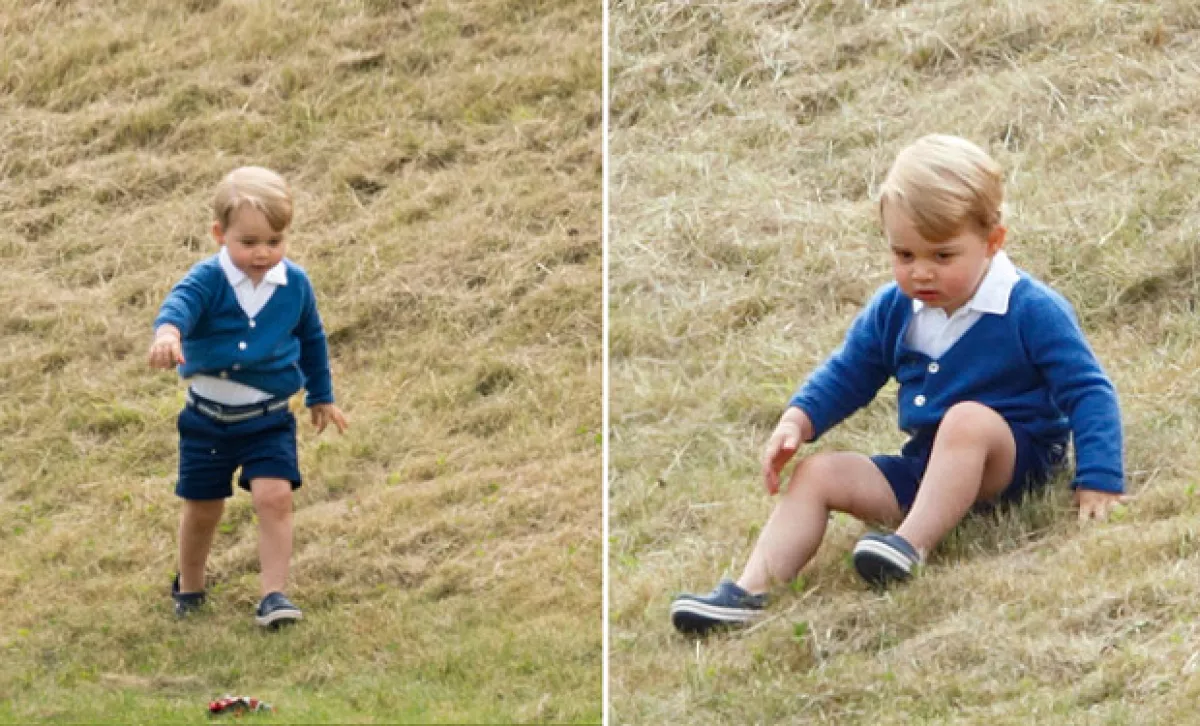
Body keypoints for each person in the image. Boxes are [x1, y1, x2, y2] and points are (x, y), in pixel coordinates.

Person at [670, 135, 1126, 636]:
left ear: (993, 242)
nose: (921, 271)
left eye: (943, 255)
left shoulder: (1030, 308)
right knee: (818, 473)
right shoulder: (895, 308)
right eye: (904, 254)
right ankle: (748, 592)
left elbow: (1088, 390)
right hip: (925, 469)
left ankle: (908, 546)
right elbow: (850, 371)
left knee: (966, 419)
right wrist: (798, 419)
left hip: (1012, 464)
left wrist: (1099, 478)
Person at [149, 166, 348, 627]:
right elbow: (177, 306)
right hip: (207, 421)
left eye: (275, 241)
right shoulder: (207, 279)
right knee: (203, 507)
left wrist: (322, 395)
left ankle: (274, 595)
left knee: (275, 497)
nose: (263, 253)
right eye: (250, 242)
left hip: (269, 419)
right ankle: (191, 587)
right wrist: (168, 334)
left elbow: (312, 339)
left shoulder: (294, 284)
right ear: (220, 234)